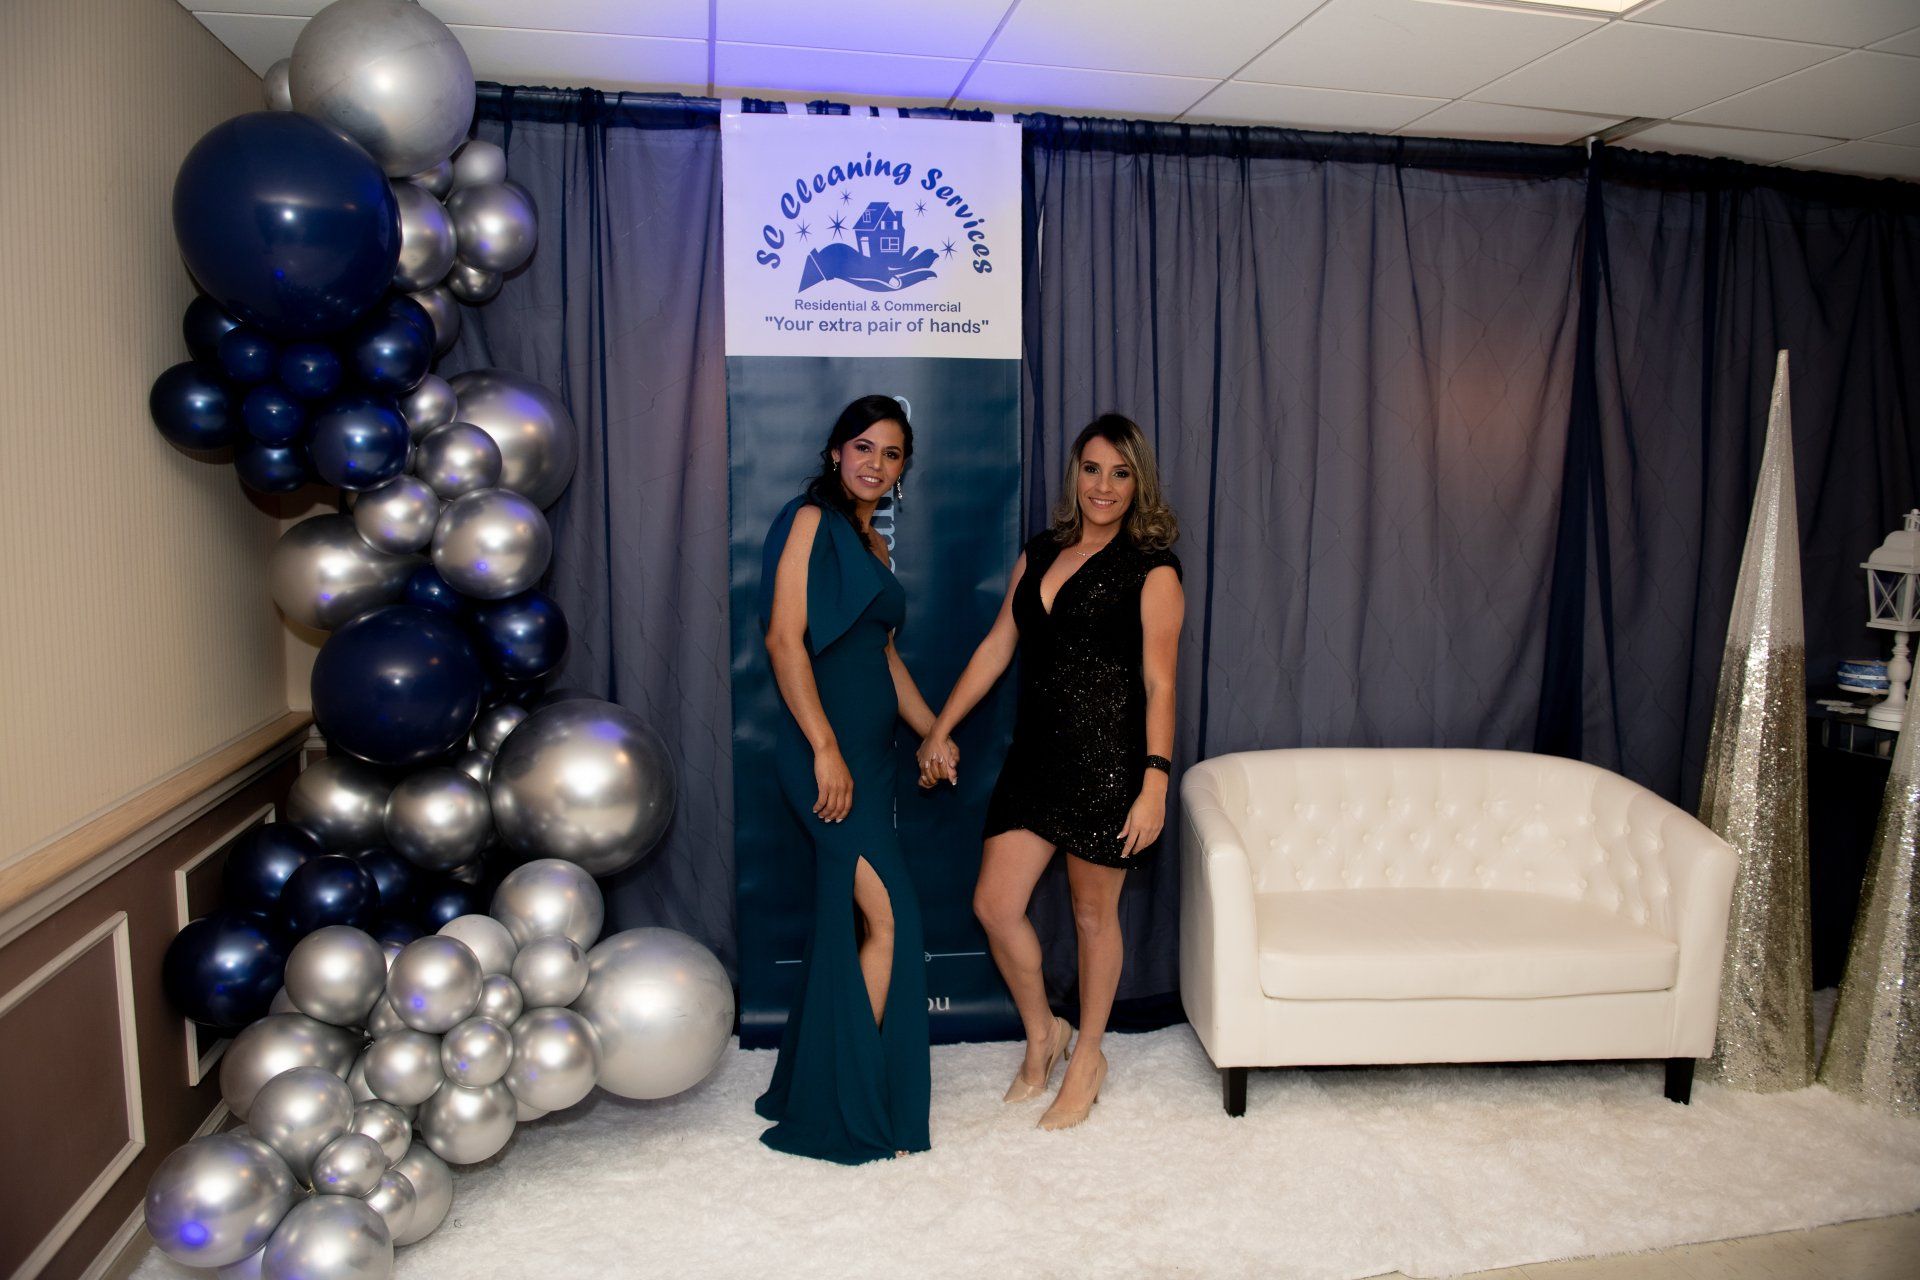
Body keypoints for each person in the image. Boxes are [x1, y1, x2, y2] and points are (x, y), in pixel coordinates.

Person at [919, 413, 1184, 1131]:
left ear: (1138, 484)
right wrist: (940, 727)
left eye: (1120, 474)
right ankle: (1045, 1033)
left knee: (1094, 916)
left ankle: (1090, 1054)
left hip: (1109, 767)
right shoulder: (1039, 552)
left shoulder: (1151, 569)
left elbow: (1161, 683)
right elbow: (996, 647)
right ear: (1075, 474)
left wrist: (1154, 781)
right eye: (1093, 469)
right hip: (1033, 762)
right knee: (995, 906)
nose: (1104, 486)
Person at [754, 395, 949, 1164]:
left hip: (871, 759)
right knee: (890, 920)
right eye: (863, 447)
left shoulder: (876, 548)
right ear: (836, 451)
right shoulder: (809, 522)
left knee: (858, 924)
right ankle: (847, 1103)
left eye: (892, 454)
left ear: (903, 470)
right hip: (822, 757)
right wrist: (825, 748)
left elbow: (884, 658)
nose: (875, 464)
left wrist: (932, 729)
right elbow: (782, 639)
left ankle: (823, 1081)